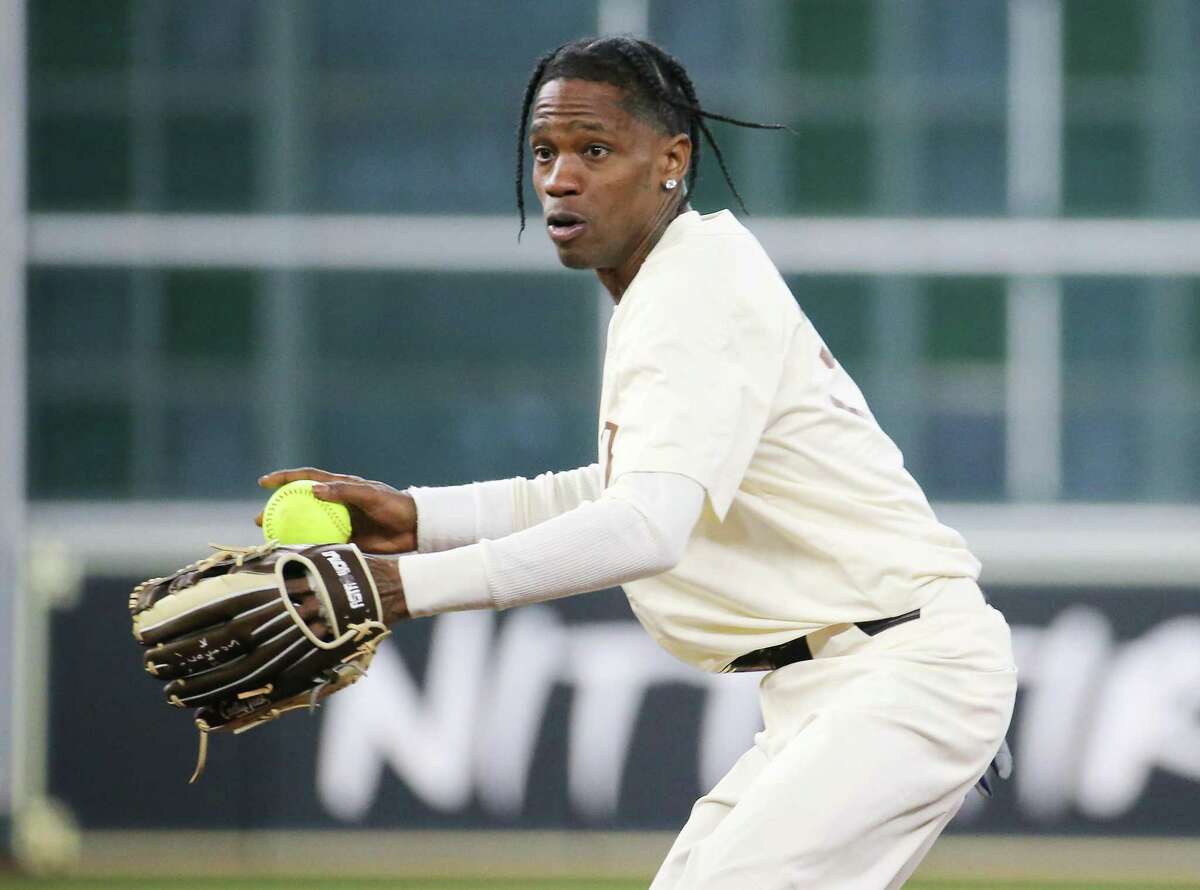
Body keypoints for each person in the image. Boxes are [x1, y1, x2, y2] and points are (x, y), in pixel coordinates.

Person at [259, 36, 1017, 890]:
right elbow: (628, 493)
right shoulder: (679, 281)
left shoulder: (692, 295)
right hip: (849, 683)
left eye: (594, 149)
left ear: (671, 160)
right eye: (545, 152)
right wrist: (424, 519)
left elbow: (645, 529)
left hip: (903, 674)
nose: (559, 178)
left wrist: (409, 590)